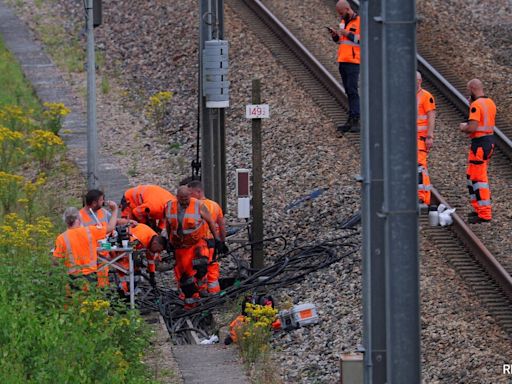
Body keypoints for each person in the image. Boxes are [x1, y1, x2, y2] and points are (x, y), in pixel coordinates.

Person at [165, 186, 220, 308]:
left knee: (201, 267)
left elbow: (211, 221)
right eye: (182, 199)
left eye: (187, 199)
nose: (185, 202)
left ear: (190, 196)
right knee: (185, 276)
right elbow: (168, 224)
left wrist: (217, 239)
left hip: (196, 244)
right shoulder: (170, 207)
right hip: (180, 247)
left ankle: (202, 292)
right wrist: (169, 240)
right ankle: (190, 300)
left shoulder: (198, 205)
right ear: (177, 197)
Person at [53, 202, 118, 287]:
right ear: (79, 219)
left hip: (73, 277)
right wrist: (115, 210)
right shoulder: (90, 231)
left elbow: (55, 261)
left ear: (65, 221)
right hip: (91, 275)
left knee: (76, 299)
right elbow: (111, 227)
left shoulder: (61, 238)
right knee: (90, 299)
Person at [459, 79, 496, 224]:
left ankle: (485, 213)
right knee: (472, 176)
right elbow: (485, 120)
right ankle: (479, 210)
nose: (468, 93)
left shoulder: (476, 105)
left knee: (479, 179)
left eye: (468, 90)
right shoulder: (490, 103)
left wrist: (463, 127)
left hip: (480, 144)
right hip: (488, 141)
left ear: (473, 88)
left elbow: (473, 127)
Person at [187, 180, 227, 295]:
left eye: (191, 193)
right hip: (213, 243)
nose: (189, 196)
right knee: (212, 269)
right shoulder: (215, 205)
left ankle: (201, 295)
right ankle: (215, 296)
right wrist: (222, 242)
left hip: (199, 245)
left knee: (199, 270)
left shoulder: (193, 206)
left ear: (198, 192)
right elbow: (222, 225)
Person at [328, 0, 361, 133]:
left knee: (352, 91)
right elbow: (342, 42)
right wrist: (336, 36)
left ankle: (355, 119)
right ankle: (351, 118)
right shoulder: (344, 22)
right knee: (348, 90)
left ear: (348, 9)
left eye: (342, 13)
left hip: (354, 61)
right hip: (343, 60)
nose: (341, 16)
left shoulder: (360, 21)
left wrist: (347, 33)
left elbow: (362, 40)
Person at [116, 223, 167, 295]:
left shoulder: (153, 239)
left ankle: (131, 292)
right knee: (126, 269)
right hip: (121, 244)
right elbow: (130, 246)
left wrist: (152, 275)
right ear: (155, 243)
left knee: (137, 270)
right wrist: (136, 258)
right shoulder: (143, 237)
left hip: (131, 245)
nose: (157, 252)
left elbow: (150, 260)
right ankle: (123, 291)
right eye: (158, 250)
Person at [416, 71, 436, 207]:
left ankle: (422, 198)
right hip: (409, 139)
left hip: (420, 139)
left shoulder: (426, 96)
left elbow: (431, 117)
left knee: (420, 167)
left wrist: (429, 136)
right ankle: (416, 196)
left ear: (420, 81)